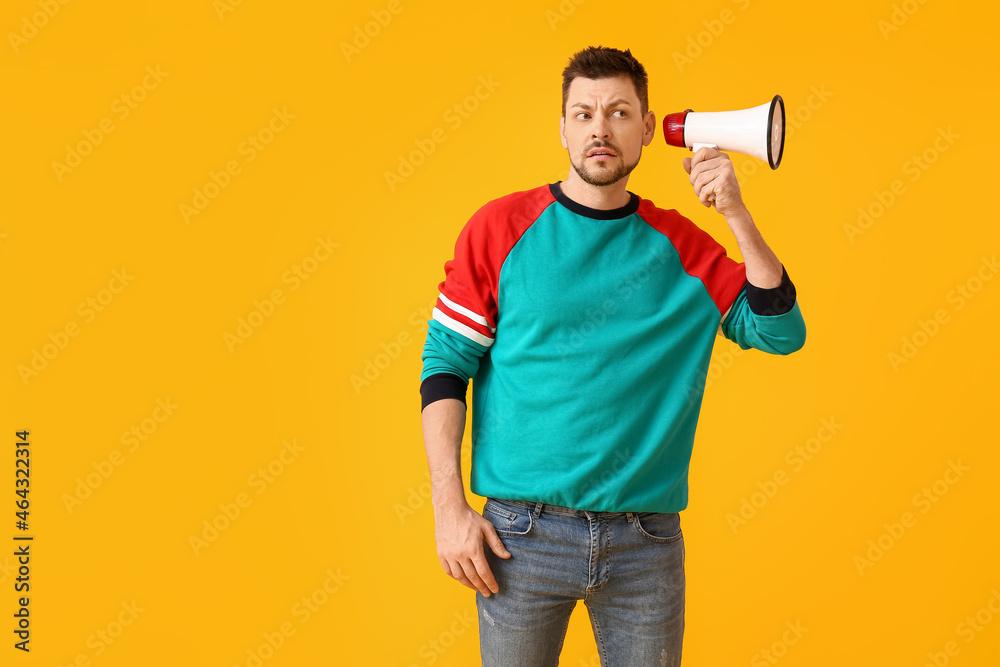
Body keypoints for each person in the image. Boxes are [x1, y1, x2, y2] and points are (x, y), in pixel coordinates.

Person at [418, 45, 806, 667]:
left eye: (620, 112)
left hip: (646, 544)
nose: (601, 128)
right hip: (521, 536)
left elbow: (781, 330)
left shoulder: (682, 247)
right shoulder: (500, 229)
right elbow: (444, 368)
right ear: (564, 127)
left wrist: (735, 213)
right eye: (585, 113)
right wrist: (448, 510)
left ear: (648, 130)